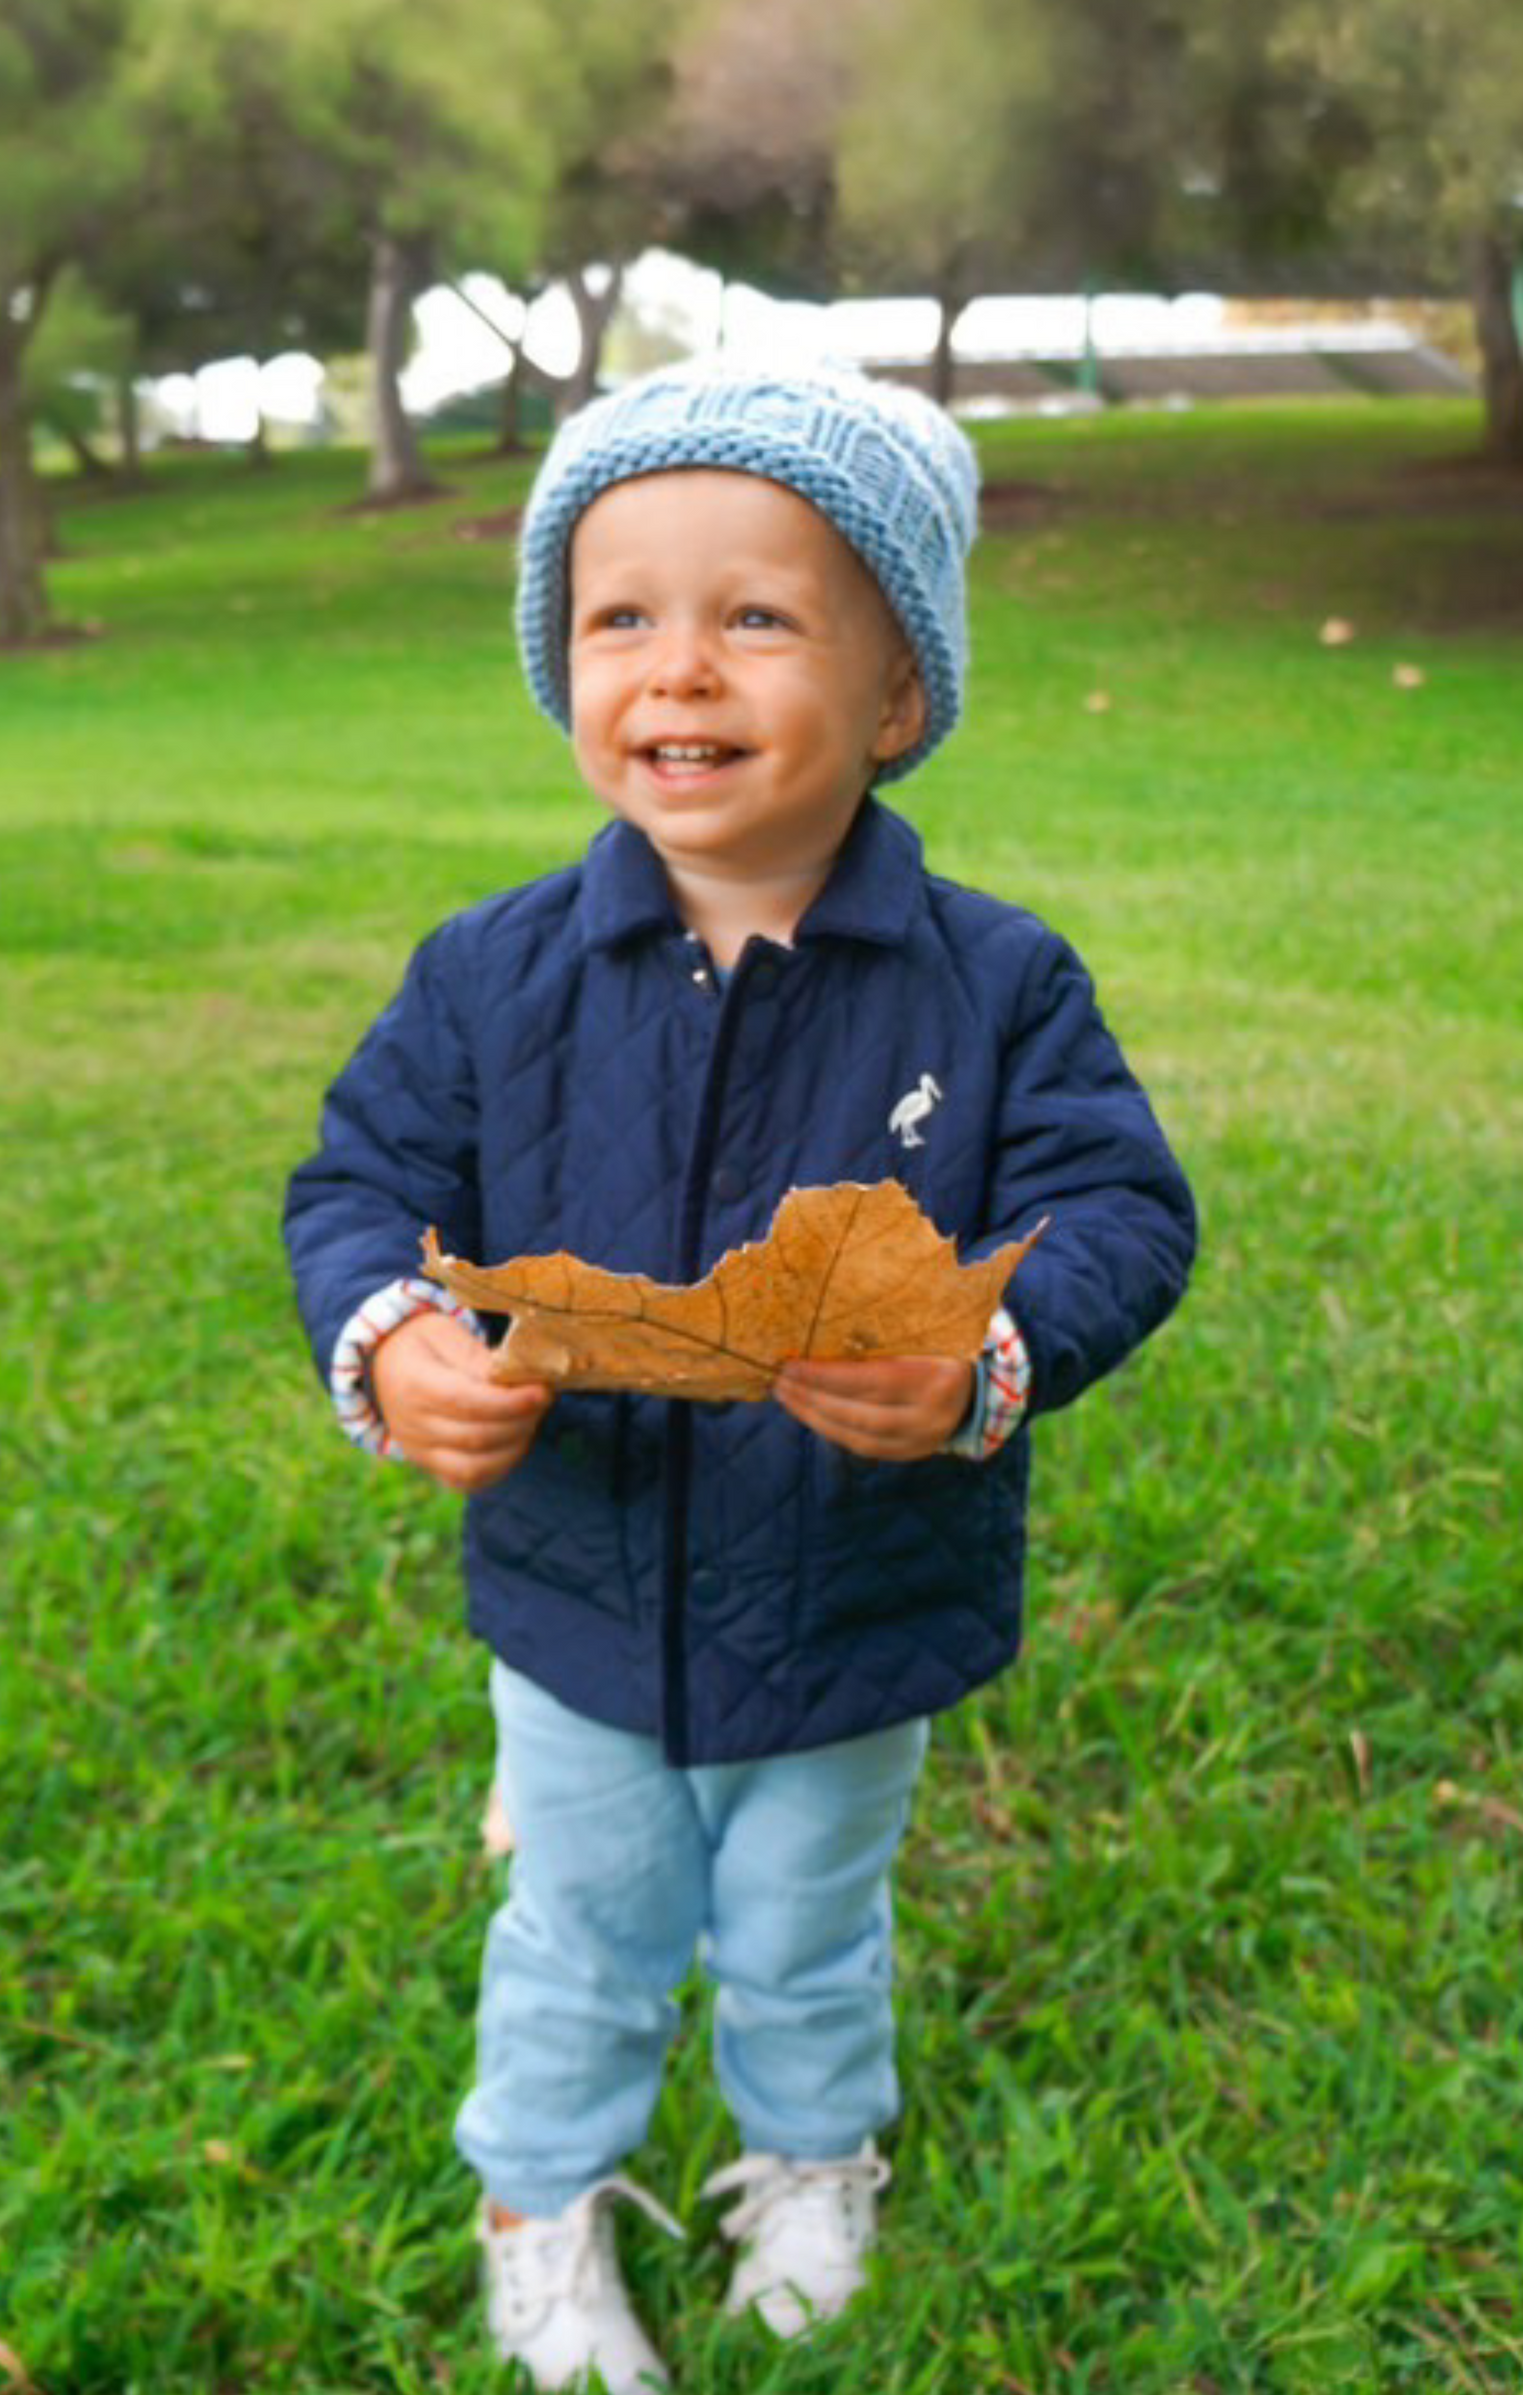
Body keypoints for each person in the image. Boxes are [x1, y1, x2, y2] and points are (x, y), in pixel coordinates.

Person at [283, 361, 1197, 2393]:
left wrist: (991, 1361)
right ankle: (539, 2196)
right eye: (621, 618)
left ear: (895, 694)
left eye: (756, 616)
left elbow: (1122, 1208)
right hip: (579, 1584)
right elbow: (359, 1181)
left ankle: (805, 2158)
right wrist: (393, 1333)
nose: (676, 670)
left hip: (858, 1582)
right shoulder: (493, 973)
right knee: (585, 1931)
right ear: (563, 667)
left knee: (804, 1919)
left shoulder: (995, 978)